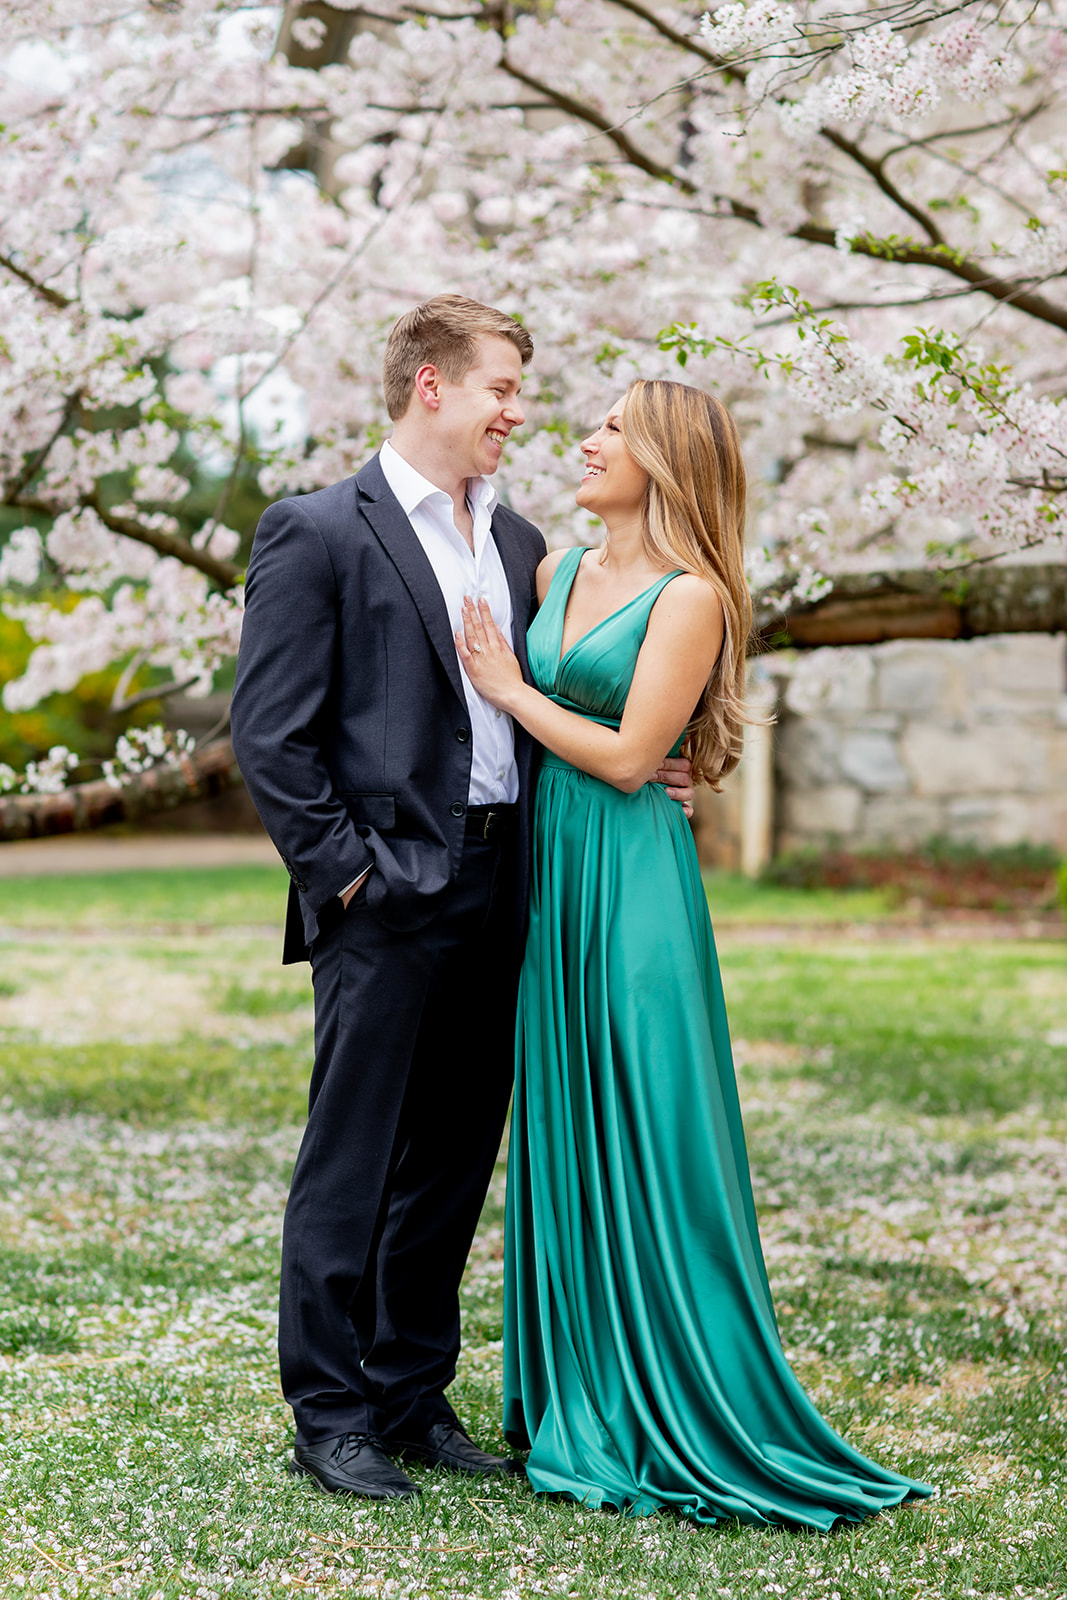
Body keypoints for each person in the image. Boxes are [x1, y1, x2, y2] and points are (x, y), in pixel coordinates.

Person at [229, 298, 693, 1502]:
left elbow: (559, 702)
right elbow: (271, 739)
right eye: (500, 390)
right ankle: (328, 1413)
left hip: (510, 883)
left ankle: (407, 1395)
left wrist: (657, 758)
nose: (517, 414)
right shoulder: (319, 531)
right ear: (430, 387)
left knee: (450, 1164)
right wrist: (349, 877)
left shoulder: (524, 539)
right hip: (383, 893)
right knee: (355, 1159)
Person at [456, 377, 933, 1529]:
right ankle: (582, 1386)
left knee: (650, 1121)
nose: (583, 438)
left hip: (629, 884)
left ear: (664, 456)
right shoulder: (551, 572)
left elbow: (627, 761)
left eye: (611, 427)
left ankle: (688, 1391)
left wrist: (512, 690)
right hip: (548, 879)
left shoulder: (693, 597)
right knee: (568, 1117)